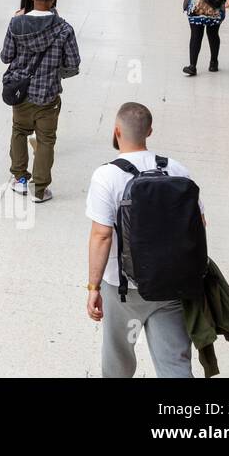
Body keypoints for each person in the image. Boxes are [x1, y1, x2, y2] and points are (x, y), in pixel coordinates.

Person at [86, 102, 199, 378]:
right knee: (175, 363)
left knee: (118, 361)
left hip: (124, 288)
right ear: (149, 131)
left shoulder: (107, 176)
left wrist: (93, 287)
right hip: (172, 285)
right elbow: (199, 224)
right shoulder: (177, 170)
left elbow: (102, 235)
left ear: (116, 131)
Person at [0, 0, 81, 203]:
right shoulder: (64, 29)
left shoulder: (16, 24)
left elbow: (6, 57)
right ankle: (40, 189)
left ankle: (20, 179)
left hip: (21, 93)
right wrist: (55, 73)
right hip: (48, 95)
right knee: (46, 140)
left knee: (18, 131)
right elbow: (73, 64)